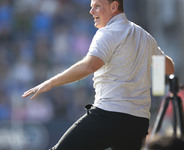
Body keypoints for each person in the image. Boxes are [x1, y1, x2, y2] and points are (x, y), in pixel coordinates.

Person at [22, 0, 175, 149]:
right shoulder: (145, 37)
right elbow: (168, 67)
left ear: (114, 6)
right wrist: (156, 86)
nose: (91, 11)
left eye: (97, 6)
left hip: (109, 115)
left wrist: (50, 83)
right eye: (91, 7)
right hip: (138, 123)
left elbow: (89, 66)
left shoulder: (108, 32)